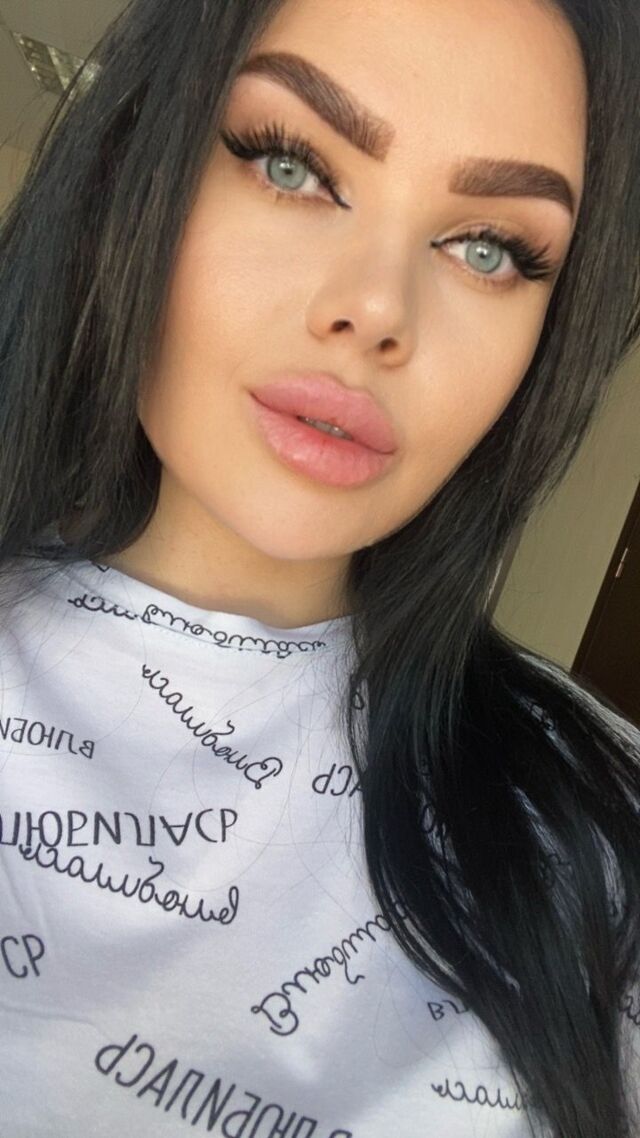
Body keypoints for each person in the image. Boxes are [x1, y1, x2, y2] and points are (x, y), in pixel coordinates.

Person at [0, 0, 639, 1134]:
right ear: (139, 167)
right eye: (291, 166)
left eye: (488, 249)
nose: (375, 311)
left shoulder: (603, 829)